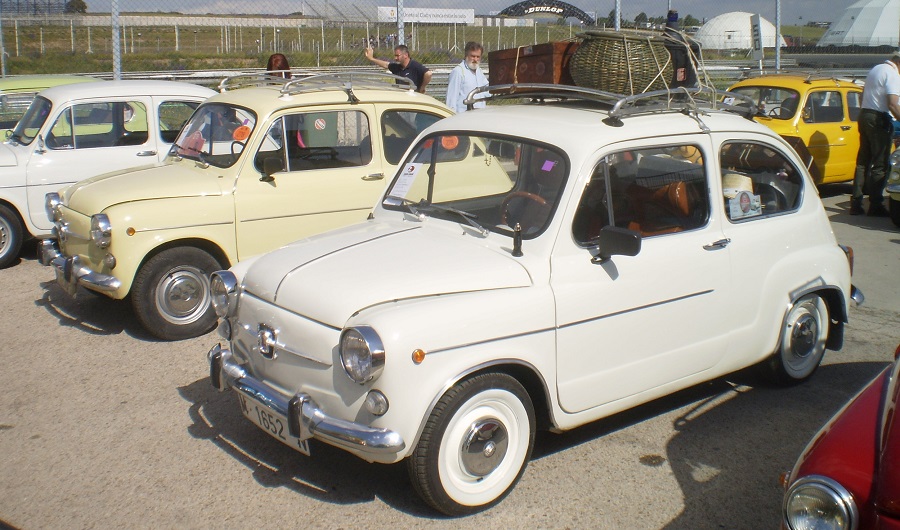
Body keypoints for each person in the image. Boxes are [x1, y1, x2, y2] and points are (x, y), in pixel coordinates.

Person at [851, 51, 900, 216]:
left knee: (862, 162)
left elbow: (862, 94)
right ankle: (876, 204)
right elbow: (893, 104)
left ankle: (856, 203)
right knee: (881, 164)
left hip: (864, 114)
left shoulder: (876, 69)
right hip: (878, 118)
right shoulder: (892, 74)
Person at [364, 44, 431, 94]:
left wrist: (422, 87)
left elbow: (428, 73)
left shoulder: (415, 66)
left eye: (397, 55)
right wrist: (371, 58)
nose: (395, 58)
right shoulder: (397, 67)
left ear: (406, 55)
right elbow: (386, 64)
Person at [445, 41, 489, 113]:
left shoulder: (479, 71)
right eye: (473, 56)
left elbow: (487, 91)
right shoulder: (458, 72)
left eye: (478, 57)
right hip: (464, 117)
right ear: (466, 55)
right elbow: (451, 99)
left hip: (480, 115)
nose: (475, 59)